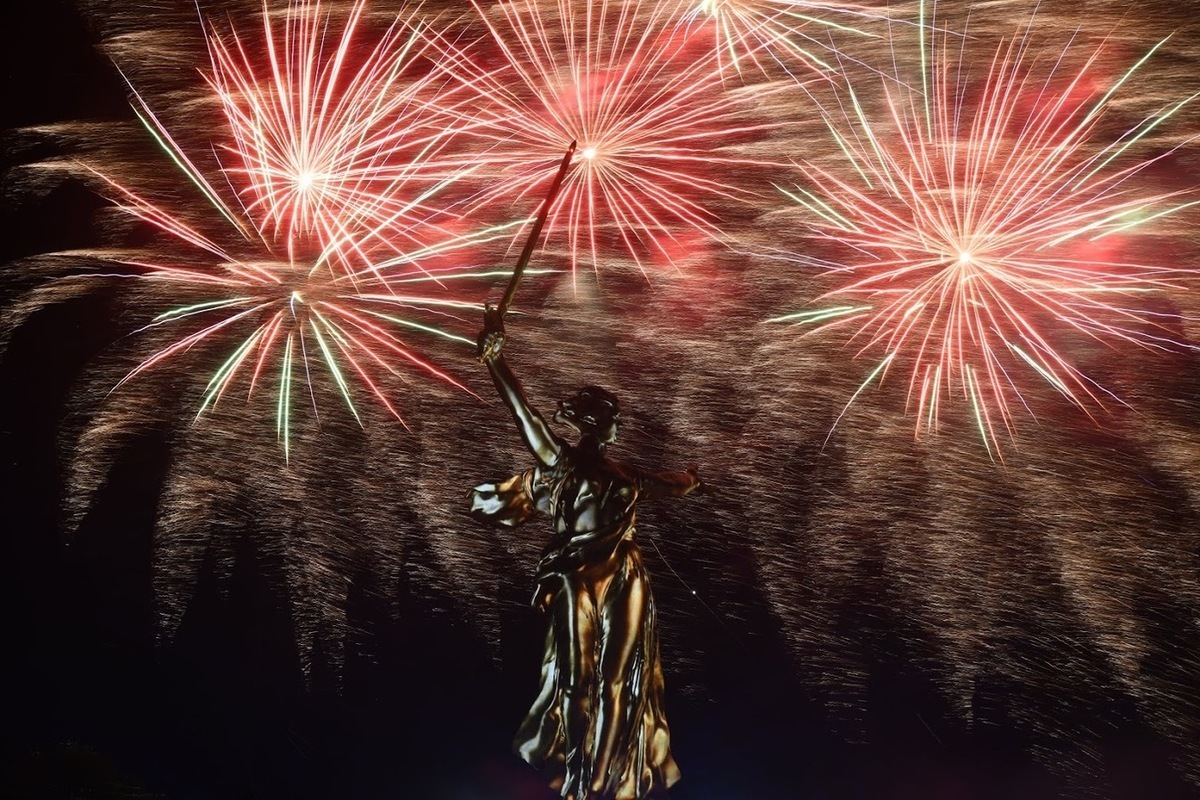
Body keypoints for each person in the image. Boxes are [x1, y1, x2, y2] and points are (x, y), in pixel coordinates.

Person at [470, 305, 702, 799]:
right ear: (598, 424)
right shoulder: (563, 462)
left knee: (619, 678)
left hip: (624, 575)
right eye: (612, 418)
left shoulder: (630, 476)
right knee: (579, 679)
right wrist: (496, 360)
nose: (617, 426)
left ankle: (604, 775)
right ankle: (579, 771)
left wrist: (692, 480)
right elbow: (523, 414)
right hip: (579, 573)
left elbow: (675, 485)